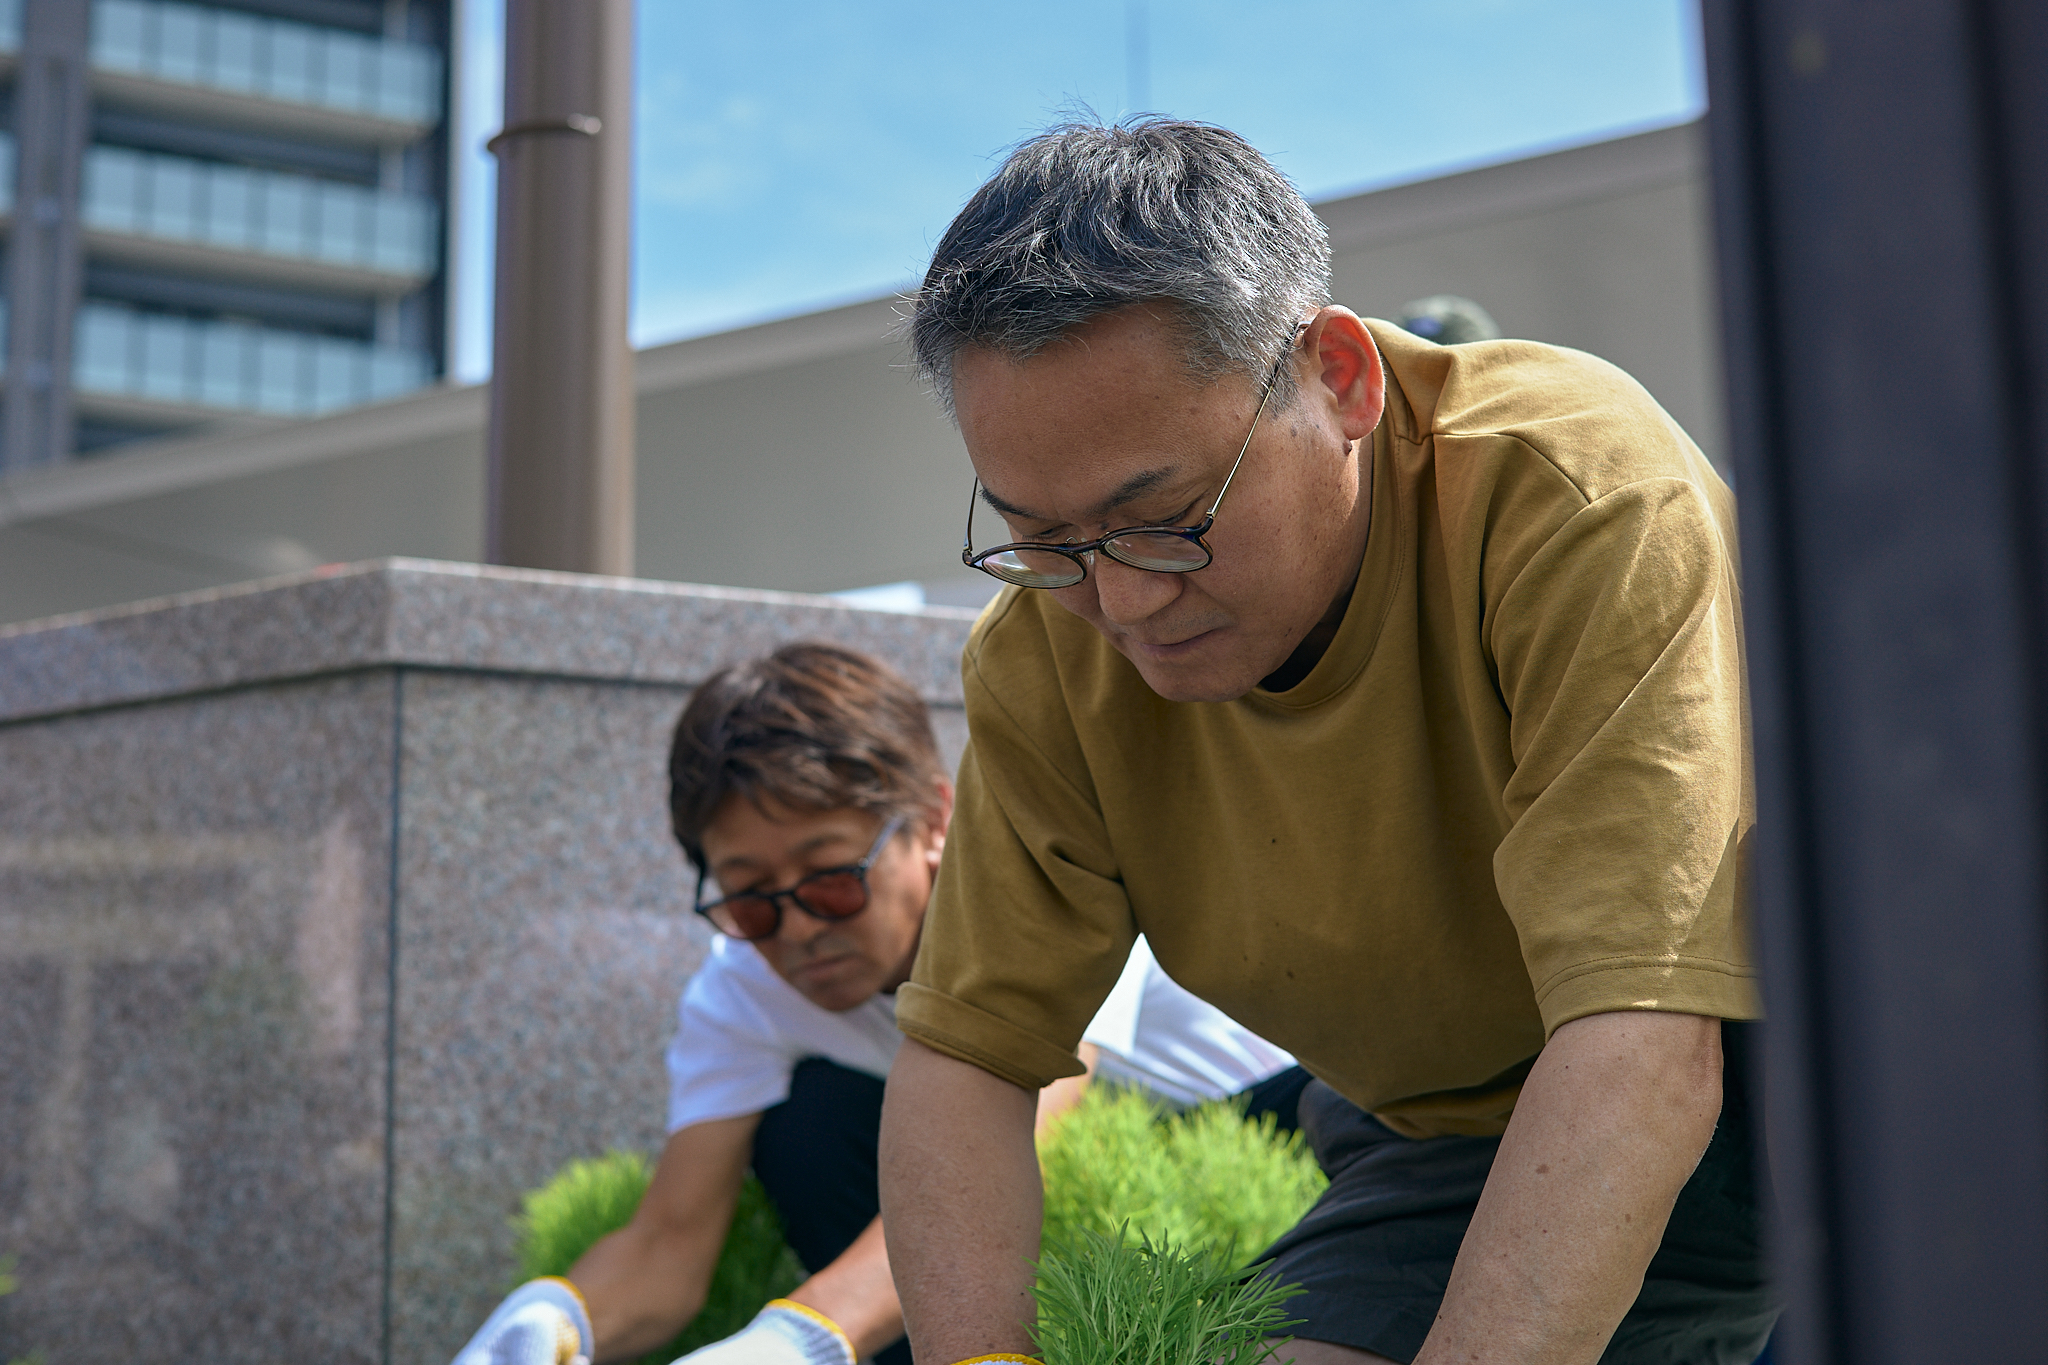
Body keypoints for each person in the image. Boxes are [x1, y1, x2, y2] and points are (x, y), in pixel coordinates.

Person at [877, 119, 1776, 1365]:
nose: (1122, 604)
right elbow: (966, 1063)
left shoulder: (1570, 492)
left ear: (1337, 378)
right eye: (1043, 539)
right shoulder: (1044, 653)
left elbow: (1647, 1038)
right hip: (1452, 1140)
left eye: (1164, 518)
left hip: (1822, 1074)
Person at [451, 643, 1302, 1365]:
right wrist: (557, 1317)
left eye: (831, 878)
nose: (797, 930)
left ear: (934, 817)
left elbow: (1027, 1126)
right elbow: (670, 1240)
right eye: (751, 899)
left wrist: (799, 1336)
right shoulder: (743, 983)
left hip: (1262, 1139)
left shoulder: (1034, 883)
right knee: (810, 1123)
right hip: (1028, 1193)